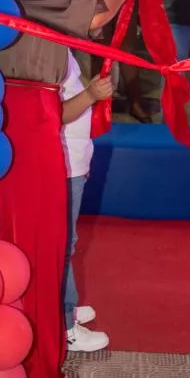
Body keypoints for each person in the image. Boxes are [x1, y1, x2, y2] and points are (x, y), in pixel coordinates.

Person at [0, 0, 139, 378]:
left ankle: (42, 339)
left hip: (37, 110)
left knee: (50, 235)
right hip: (27, 114)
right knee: (40, 234)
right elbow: (95, 16)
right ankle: (34, 350)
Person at [60, 49, 112, 353]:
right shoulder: (47, 50)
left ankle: (65, 306)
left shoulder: (61, 49)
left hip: (74, 161)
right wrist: (91, 94)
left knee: (68, 242)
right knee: (63, 244)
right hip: (64, 164)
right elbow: (57, 112)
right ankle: (65, 324)